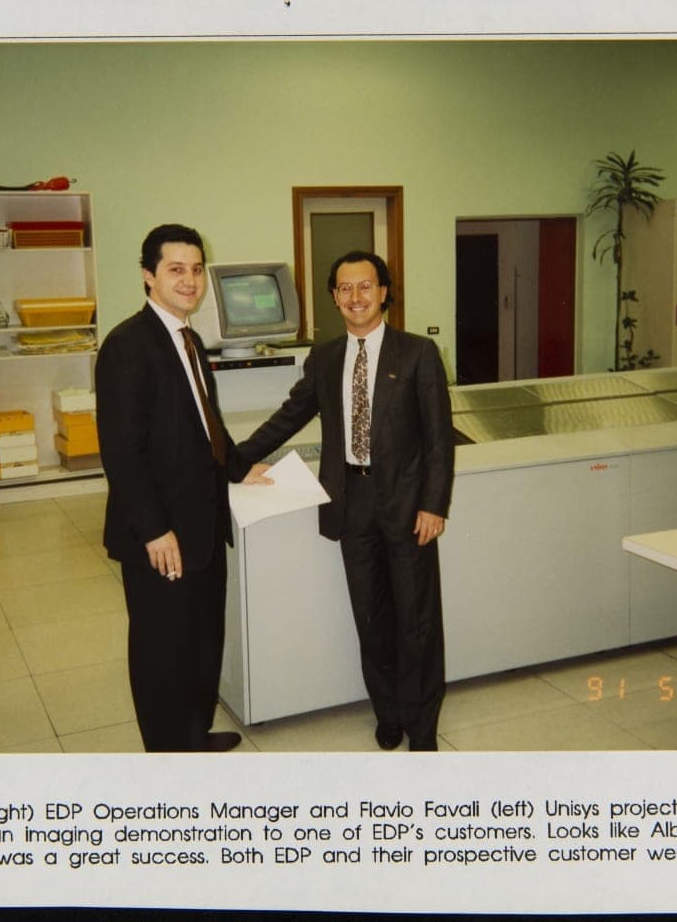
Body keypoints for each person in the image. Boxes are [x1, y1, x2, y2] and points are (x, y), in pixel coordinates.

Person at [236, 251, 454, 751]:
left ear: (383, 292)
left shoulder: (418, 354)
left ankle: (422, 728)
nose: (355, 297)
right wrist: (233, 458)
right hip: (350, 501)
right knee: (370, 617)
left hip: (407, 506)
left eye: (365, 287)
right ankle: (388, 712)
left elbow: (439, 439)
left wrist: (434, 505)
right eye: (344, 288)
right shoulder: (327, 357)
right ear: (334, 296)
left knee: (417, 621)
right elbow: (289, 416)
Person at [95, 223, 269, 753]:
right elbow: (122, 453)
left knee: (200, 641)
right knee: (161, 650)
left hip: (201, 523)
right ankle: (168, 753)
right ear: (149, 276)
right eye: (176, 270)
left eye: (196, 270)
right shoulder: (129, 346)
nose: (190, 281)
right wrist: (153, 529)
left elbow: (205, 422)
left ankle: (193, 731)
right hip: (161, 534)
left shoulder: (188, 339)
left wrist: (238, 467)